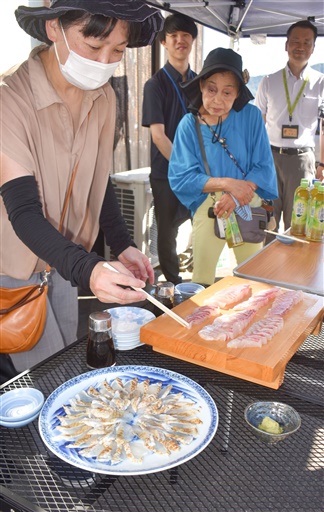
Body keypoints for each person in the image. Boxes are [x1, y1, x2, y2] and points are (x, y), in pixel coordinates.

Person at [0, 0, 164, 375]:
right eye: (93, 46)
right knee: (44, 376)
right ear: (54, 27)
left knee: (63, 359)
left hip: (63, 261)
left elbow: (96, 175)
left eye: (118, 50)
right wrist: (89, 269)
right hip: (13, 265)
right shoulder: (9, 98)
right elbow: (23, 212)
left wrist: (121, 244)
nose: (104, 61)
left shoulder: (104, 96)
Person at [168, 48, 278, 286]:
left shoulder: (251, 116)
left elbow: (263, 165)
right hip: (210, 206)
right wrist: (227, 185)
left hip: (248, 201)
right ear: (201, 86)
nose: (218, 100)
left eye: (227, 92)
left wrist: (237, 195)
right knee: (202, 283)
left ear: (238, 93)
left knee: (254, 279)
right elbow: (182, 177)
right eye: (212, 89)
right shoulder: (189, 125)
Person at [255, 20, 324, 242]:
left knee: (299, 222)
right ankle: (266, 272)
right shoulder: (269, 81)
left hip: (303, 161)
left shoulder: (321, 83)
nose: (300, 46)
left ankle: (295, 275)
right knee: (268, 221)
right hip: (270, 159)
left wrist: (322, 163)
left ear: (313, 48)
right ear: (286, 45)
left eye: (307, 42)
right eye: (295, 41)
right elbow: (258, 124)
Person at [142, 14, 198, 285]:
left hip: (199, 173)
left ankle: (200, 282)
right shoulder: (155, 84)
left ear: (192, 41)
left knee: (202, 224)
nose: (180, 40)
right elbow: (158, 136)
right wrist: (185, 168)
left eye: (185, 35)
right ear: (164, 41)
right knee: (166, 232)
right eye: (173, 35)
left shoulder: (202, 83)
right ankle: (174, 286)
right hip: (167, 172)